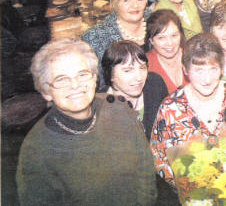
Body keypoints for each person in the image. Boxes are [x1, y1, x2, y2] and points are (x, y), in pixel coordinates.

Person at [17, 38, 157, 206]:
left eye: (82, 75)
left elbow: (145, 168)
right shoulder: (36, 152)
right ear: (46, 91)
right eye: (61, 79)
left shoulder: (119, 108)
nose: (75, 85)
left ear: (94, 79)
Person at [150, 33, 226, 187]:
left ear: (222, 68)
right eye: (199, 70)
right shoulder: (170, 108)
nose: (207, 79)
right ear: (186, 70)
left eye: (213, 69)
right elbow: (160, 159)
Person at [82, 0, 150, 87]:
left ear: (146, 1)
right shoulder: (97, 36)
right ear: (114, 4)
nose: (134, 5)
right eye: (126, 0)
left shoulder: (154, 21)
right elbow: (96, 82)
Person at [101, 40, 168, 139]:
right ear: (110, 75)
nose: (139, 78)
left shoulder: (155, 84)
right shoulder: (100, 106)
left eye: (142, 68)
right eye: (128, 70)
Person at [146, 9, 188, 94]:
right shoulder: (145, 65)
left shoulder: (193, 55)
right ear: (151, 40)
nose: (170, 43)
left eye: (174, 35)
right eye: (161, 38)